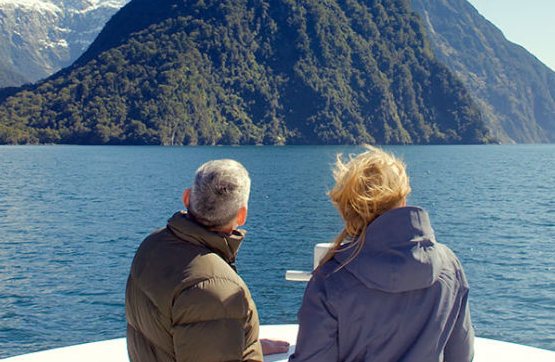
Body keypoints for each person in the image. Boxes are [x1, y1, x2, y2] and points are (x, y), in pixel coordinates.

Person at [290, 146, 475, 362]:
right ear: (403, 202)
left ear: (349, 209)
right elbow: (461, 355)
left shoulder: (331, 277)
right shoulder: (449, 265)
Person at [125, 159, 289, 362]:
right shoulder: (216, 291)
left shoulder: (151, 246)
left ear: (186, 198)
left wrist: (242, 342)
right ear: (242, 216)